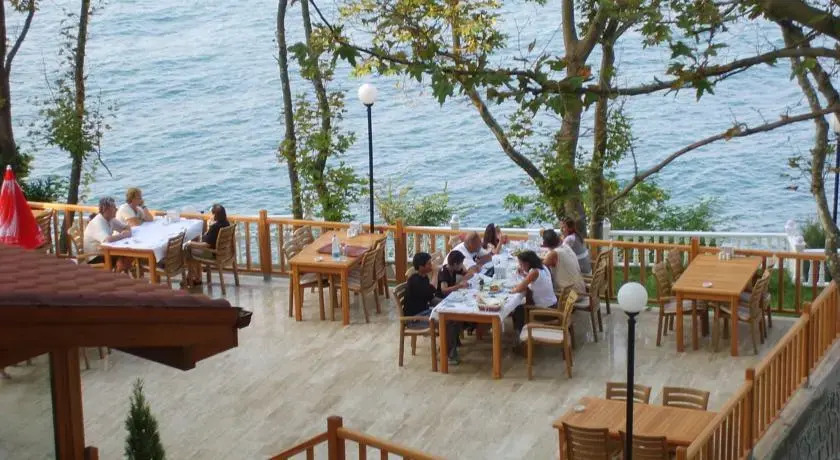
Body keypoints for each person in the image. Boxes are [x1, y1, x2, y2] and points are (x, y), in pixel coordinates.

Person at [405, 252, 462, 363]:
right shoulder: (415, 281)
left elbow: (431, 297)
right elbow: (432, 290)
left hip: (425, 311)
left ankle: (450, 346)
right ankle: (447, 355)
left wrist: (449, 303)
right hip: (415, 319)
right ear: (421, 267)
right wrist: (436, 273)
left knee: (454, 313)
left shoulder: (423, 277)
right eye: (428, 264)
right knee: (448, 320)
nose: (431, 265)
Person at [510, 250, 557, 339]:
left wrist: (510, 291)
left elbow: (519, 289)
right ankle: (520, 335)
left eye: (521, 264)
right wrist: (524, 274)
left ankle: (521, 338)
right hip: (553, 306)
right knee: (521, 306)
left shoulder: (534, 272)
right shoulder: (543, 267)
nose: (520, 267)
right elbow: (534, 280)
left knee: (518, 309)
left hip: (546, 312)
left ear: (527, 264)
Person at [184, 204, 231, 286]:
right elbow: (211, 239)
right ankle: (194, 277)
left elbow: (206, 245)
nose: (210, 215)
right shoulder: (226, 224)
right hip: (223, 252)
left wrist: (189, 243)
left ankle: (194, 277)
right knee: (193, 248)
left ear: (215, 215)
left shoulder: (215, 227)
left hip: (212, 254)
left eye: (212, 213)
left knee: (187, 250)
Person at [84, 197, 131, 268]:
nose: (116, 209)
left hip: (105, 251)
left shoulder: (111, 219)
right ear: (106, 210)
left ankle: (118, 271)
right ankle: (116, 273)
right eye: (114, 207)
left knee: (128, 255)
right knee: (126, 256)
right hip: (95, 257)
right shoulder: (98, 222)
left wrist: (125, 231)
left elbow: (125, 227)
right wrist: (124, 235)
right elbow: (107, 239)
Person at [542, 229, 585, 295]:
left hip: (570, 295)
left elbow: (539, 269)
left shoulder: (554, 254)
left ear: (545, 244)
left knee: (538, 293)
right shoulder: (566, 247)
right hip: (580, 290)